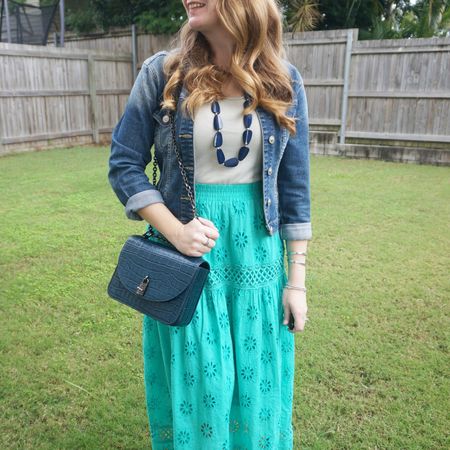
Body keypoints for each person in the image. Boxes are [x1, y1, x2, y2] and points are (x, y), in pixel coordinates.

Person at [108, 0, 312, 448]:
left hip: (256, 254)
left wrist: (296, 282)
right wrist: (175, 231)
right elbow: (124, 165)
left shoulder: (284, 80)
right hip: (188, 256)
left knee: (255, 381)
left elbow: (294, 189)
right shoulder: (163, 74)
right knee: (202, 380)